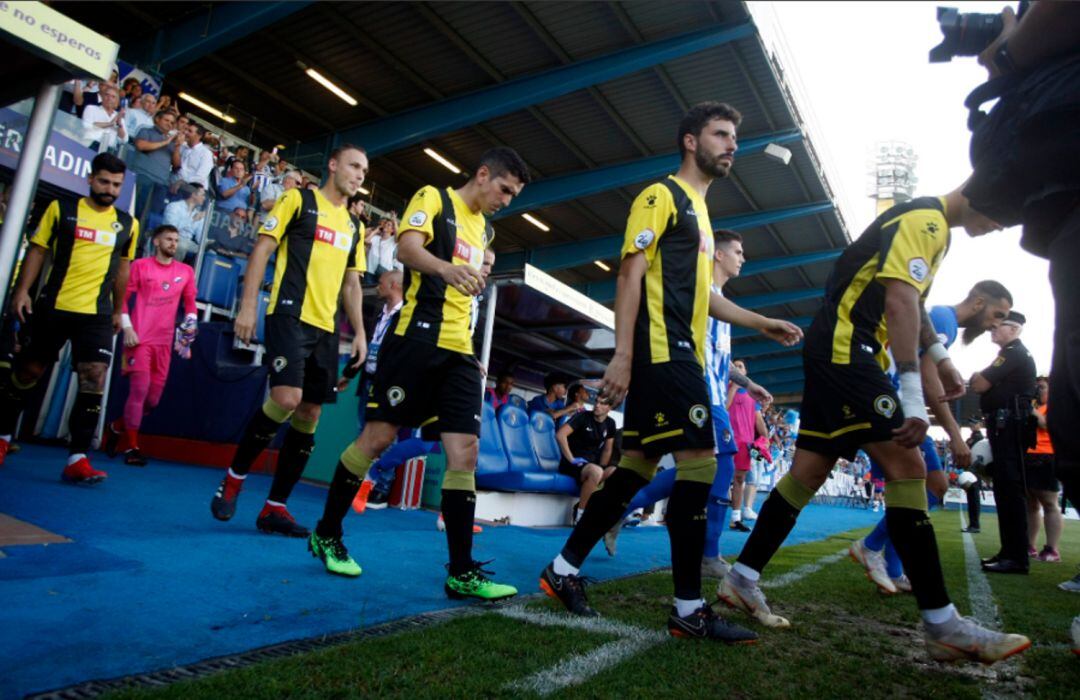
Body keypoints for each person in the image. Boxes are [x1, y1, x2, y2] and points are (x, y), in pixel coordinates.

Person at [716, 183, 1032, 664]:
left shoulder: (931, 226)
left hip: (835, 350)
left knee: (806, 476)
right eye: (1002, 212)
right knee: (909, 470)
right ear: (978, 188)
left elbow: (915, 304)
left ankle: (741, 579)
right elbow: (900, 303)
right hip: (849, 351)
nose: (1000, 226)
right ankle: (942, 623)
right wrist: (911, 395)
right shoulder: (924, 222)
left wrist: (941, 356)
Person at [538, 102, 802, 643]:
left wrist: (760, 320)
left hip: (681, 351)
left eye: (734, 136)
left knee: (634, 469)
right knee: (701, 465)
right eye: (720, 134)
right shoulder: (661, 196)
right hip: (665, 353)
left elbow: (705, 295)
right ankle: (688, 607)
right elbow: (630, 272)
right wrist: (623, 354)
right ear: (690, 140)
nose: (732, 144)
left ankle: (562, 571)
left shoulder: (702, 216)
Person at [307, 147, 529, 602]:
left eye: (513, 195)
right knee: (377, 440)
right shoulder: (435, 198)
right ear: (482, 173)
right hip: (415, 341)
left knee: (464, 452)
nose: (506, 200)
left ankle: (462, 571)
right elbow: (408, 249)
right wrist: (447, 269)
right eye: (504, 189)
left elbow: (466, 287)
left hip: (459, 354)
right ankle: (327, 533)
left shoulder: (485, 228)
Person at [208, 144, 368, 537]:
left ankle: (274, 508)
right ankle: (233, 479)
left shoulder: (355, 226)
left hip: (327, 328)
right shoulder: (297, 200)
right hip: (289, 314)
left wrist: (360, 332)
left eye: (365, 170)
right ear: (332, 165)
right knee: (286, 399)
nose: (360, 174)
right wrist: (247, 306)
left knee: (310, 413)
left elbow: (352, 283)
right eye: (353, 165)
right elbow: (262, 247)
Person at [601, 229, 775, 581]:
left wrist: (749, 384)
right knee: (721, 470)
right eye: (738, 251)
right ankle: (707, 556)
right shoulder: (700, 296)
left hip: (713, 397)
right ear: (718, 256)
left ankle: (623, 509)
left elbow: (721, 361)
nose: (742, 258)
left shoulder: (720, 301)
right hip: (698, 396)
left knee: (700, 471)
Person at [849, 280, 1013, 592]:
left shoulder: (942, 321)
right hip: (898, 407)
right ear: (978, 302)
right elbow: (928, 376)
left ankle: (892, 567)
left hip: (903, 408)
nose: (996, 323)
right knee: (926, 487)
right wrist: (955, 434)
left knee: (925, 488)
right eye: (997, 314)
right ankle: (871, 547)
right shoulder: (943, 320)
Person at [0, 154, 139, 481]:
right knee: (28, 371)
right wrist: (23, 291)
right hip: (53, 306)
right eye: (104, 182)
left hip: (97, 315)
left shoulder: (128, 223)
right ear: (91, 179)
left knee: (95, 376)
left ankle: (77, 459)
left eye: (116, 185)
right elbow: (37, 250)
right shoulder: (62, 209)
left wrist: (118, 310)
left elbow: (123, 268)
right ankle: (3, 438)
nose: (109, 189)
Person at [102, 226, 196, 465]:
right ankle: (132, 447)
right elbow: (122, 298)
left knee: (152, 400)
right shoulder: (140, 266)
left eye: (176, 240)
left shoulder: (185, 271)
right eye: (169, 239)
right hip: (139, 339)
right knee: (139, 390)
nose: (174, 244)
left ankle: (116, 427)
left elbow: (190, 303)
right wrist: (128, 328)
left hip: (164, 343)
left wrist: (189, 326)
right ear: (156, 241)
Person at [970, 311, 1037, 575]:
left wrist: (982, 380)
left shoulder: (1013, 353)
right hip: (1005, 428)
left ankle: (1017, 557)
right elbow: (981, 386)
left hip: (1010, 427)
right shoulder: (1011, 353)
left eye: (1000, 326)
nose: (993, 330)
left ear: (1015, 329)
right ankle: (1009, 551)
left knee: (1010, 492)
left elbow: (980, 384)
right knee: (1005, 492)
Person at [557, 397, 616, 525]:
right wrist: (571, 459)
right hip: (571, 464)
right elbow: (560, 434)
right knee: (595, 471)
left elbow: (607, 450)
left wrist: (603, 467)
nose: (597, 405)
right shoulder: (582, 417)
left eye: (602, 403)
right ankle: (581, 516)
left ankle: (601, 511)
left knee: (613, 472)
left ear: (609, 408)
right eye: (596, 402)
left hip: (590, 465)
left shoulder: (610, 423)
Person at [728, 358, 767, 531]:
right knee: (718, 478)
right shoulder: (722, 389)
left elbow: (758, 421)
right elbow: (723, 408)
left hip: (747, 444)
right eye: (734, 366)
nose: (737, 368)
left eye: (740, 366)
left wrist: (764, 441)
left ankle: (739, 515)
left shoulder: (753, 397)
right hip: (726, 440)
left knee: (744, 478)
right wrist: (734, 388)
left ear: (745, 373)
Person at [1025, 376, 1061, 562]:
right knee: (1031, 504)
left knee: (1049, 503)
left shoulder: (1057, 405)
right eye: (1037, 387)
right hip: (1029, 455)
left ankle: (1052, 549)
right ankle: (1030, 545)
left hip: (1047, 456)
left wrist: (1030, 408)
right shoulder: (1035, 407)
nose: (1038, 391)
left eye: (1042, 387)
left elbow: (1044, 423)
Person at [163, 184, 207, 262]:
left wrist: (207, 242)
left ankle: (190, 273)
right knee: (182, 245)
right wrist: (192, 219)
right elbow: (172, 229)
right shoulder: (174, 207)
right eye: (203, 195)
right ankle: (172, 270)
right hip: (172, 238)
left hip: (188, 242)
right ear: (194, 195)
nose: (204, 198)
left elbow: (199, 238)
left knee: (208, 253)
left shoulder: (198, 214)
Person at [962, 420, 987, 533]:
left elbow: (982, 456)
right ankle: (972, 524)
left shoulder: (980, 439)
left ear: (980, 425)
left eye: (975, 423)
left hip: (975, 471)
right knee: (971, 498)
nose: (972, 425)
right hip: (969, 470)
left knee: (974, 498)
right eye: (971, 423)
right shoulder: (970, 439)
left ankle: (975, 525)